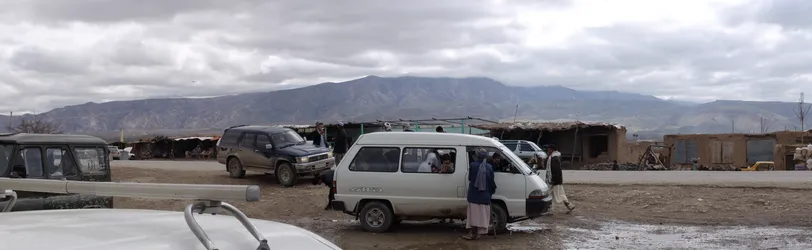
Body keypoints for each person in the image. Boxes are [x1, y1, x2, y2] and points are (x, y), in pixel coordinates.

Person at [463, 148, 496, 240]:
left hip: (474, 194)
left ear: (477, 156)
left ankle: (473, 234)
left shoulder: (473, 165)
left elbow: (470, 178)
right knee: (482, 215)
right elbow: (491, 182)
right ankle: (481, 233)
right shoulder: (489, 167)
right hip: (485, 195)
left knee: (473, 215)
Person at [544, 145, 575, 214]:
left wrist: (553, 180)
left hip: (554, 181)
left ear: (552, 150)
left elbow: (556, 171)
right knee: (555, 194)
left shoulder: (554, 158)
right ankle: (569, 205)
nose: (548, 151)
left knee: (554, 194)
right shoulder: (552, 157)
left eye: (549, 150)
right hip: (554, 180)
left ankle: (550, 209)